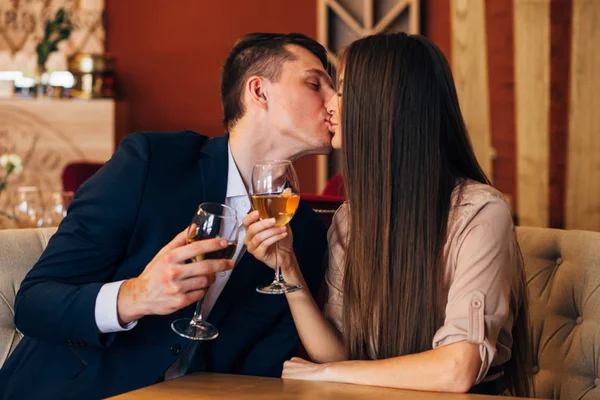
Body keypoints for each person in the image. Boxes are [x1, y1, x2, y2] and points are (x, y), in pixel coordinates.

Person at [0, 32, 336, 399]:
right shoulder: (150, 163)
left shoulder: (301, 230)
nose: (334, 102)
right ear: (259, 92)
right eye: (315, 84)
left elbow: (262, 369)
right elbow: (32, 305)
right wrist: (135, 296)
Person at [243, 32, 532, 396]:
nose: (329, 105)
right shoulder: (350, 220)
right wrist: (288, 267)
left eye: (342, 91)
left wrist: (328, 374)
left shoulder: (479, 212)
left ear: (385, 106)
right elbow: (338, 348)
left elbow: (458, 370)